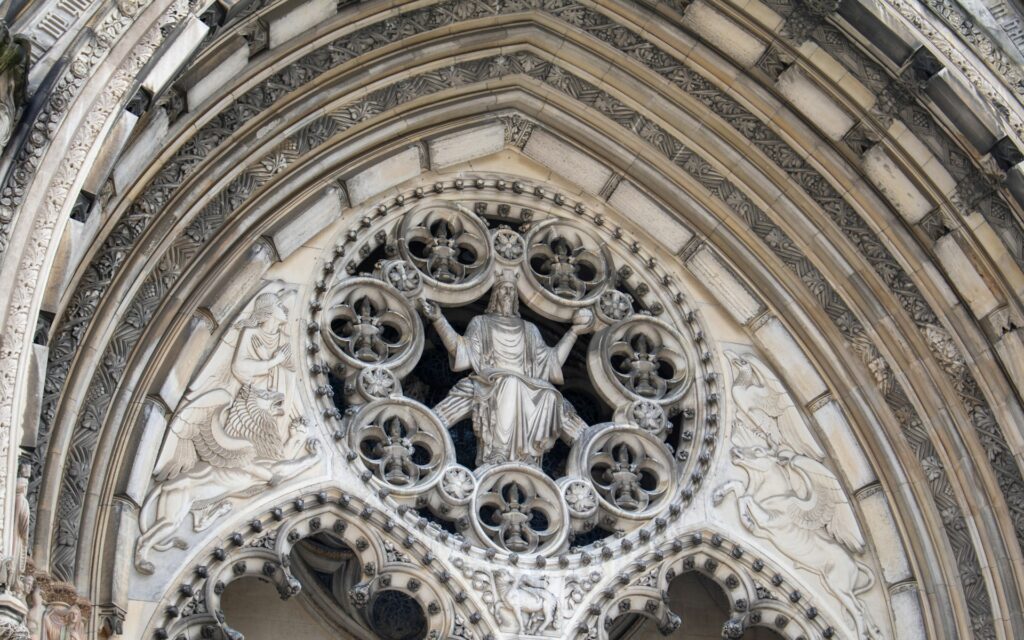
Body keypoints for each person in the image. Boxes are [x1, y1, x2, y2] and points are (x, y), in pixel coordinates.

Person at [419, 272, 590, 465]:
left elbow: (551, 363)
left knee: (551, 396)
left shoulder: (529, 329)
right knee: (510, 382)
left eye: (511, 290)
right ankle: (498, 451)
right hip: (491, 379)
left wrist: (574, 332)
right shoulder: (481, 323)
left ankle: (526, 456)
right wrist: (439, 320)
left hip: (529, 383)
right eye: (503, 290)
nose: (508, 294)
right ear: (495, 295)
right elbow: (461, 351)